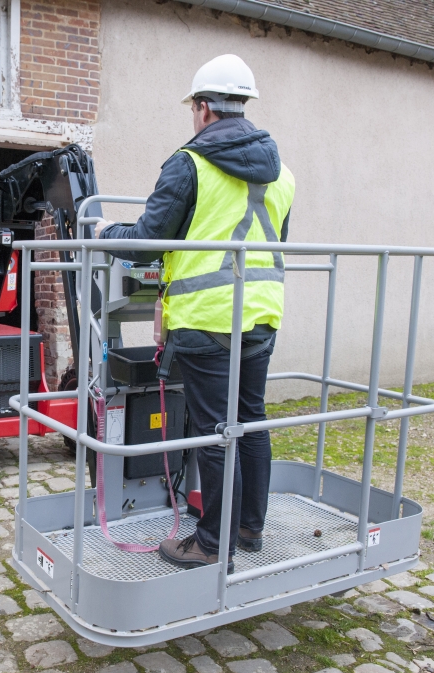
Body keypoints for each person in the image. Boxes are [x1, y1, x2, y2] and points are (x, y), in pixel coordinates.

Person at [96, 54, 295, 572]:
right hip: (262, 315)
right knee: (250, 421)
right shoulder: (283, 173)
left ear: (204, 108)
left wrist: (103, 235)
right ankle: (248, 528)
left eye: (194, 107)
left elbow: (145, 242)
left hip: (207, 319)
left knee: (214, 431)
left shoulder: (189, 163)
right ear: (244, 106)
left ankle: (210, 543)